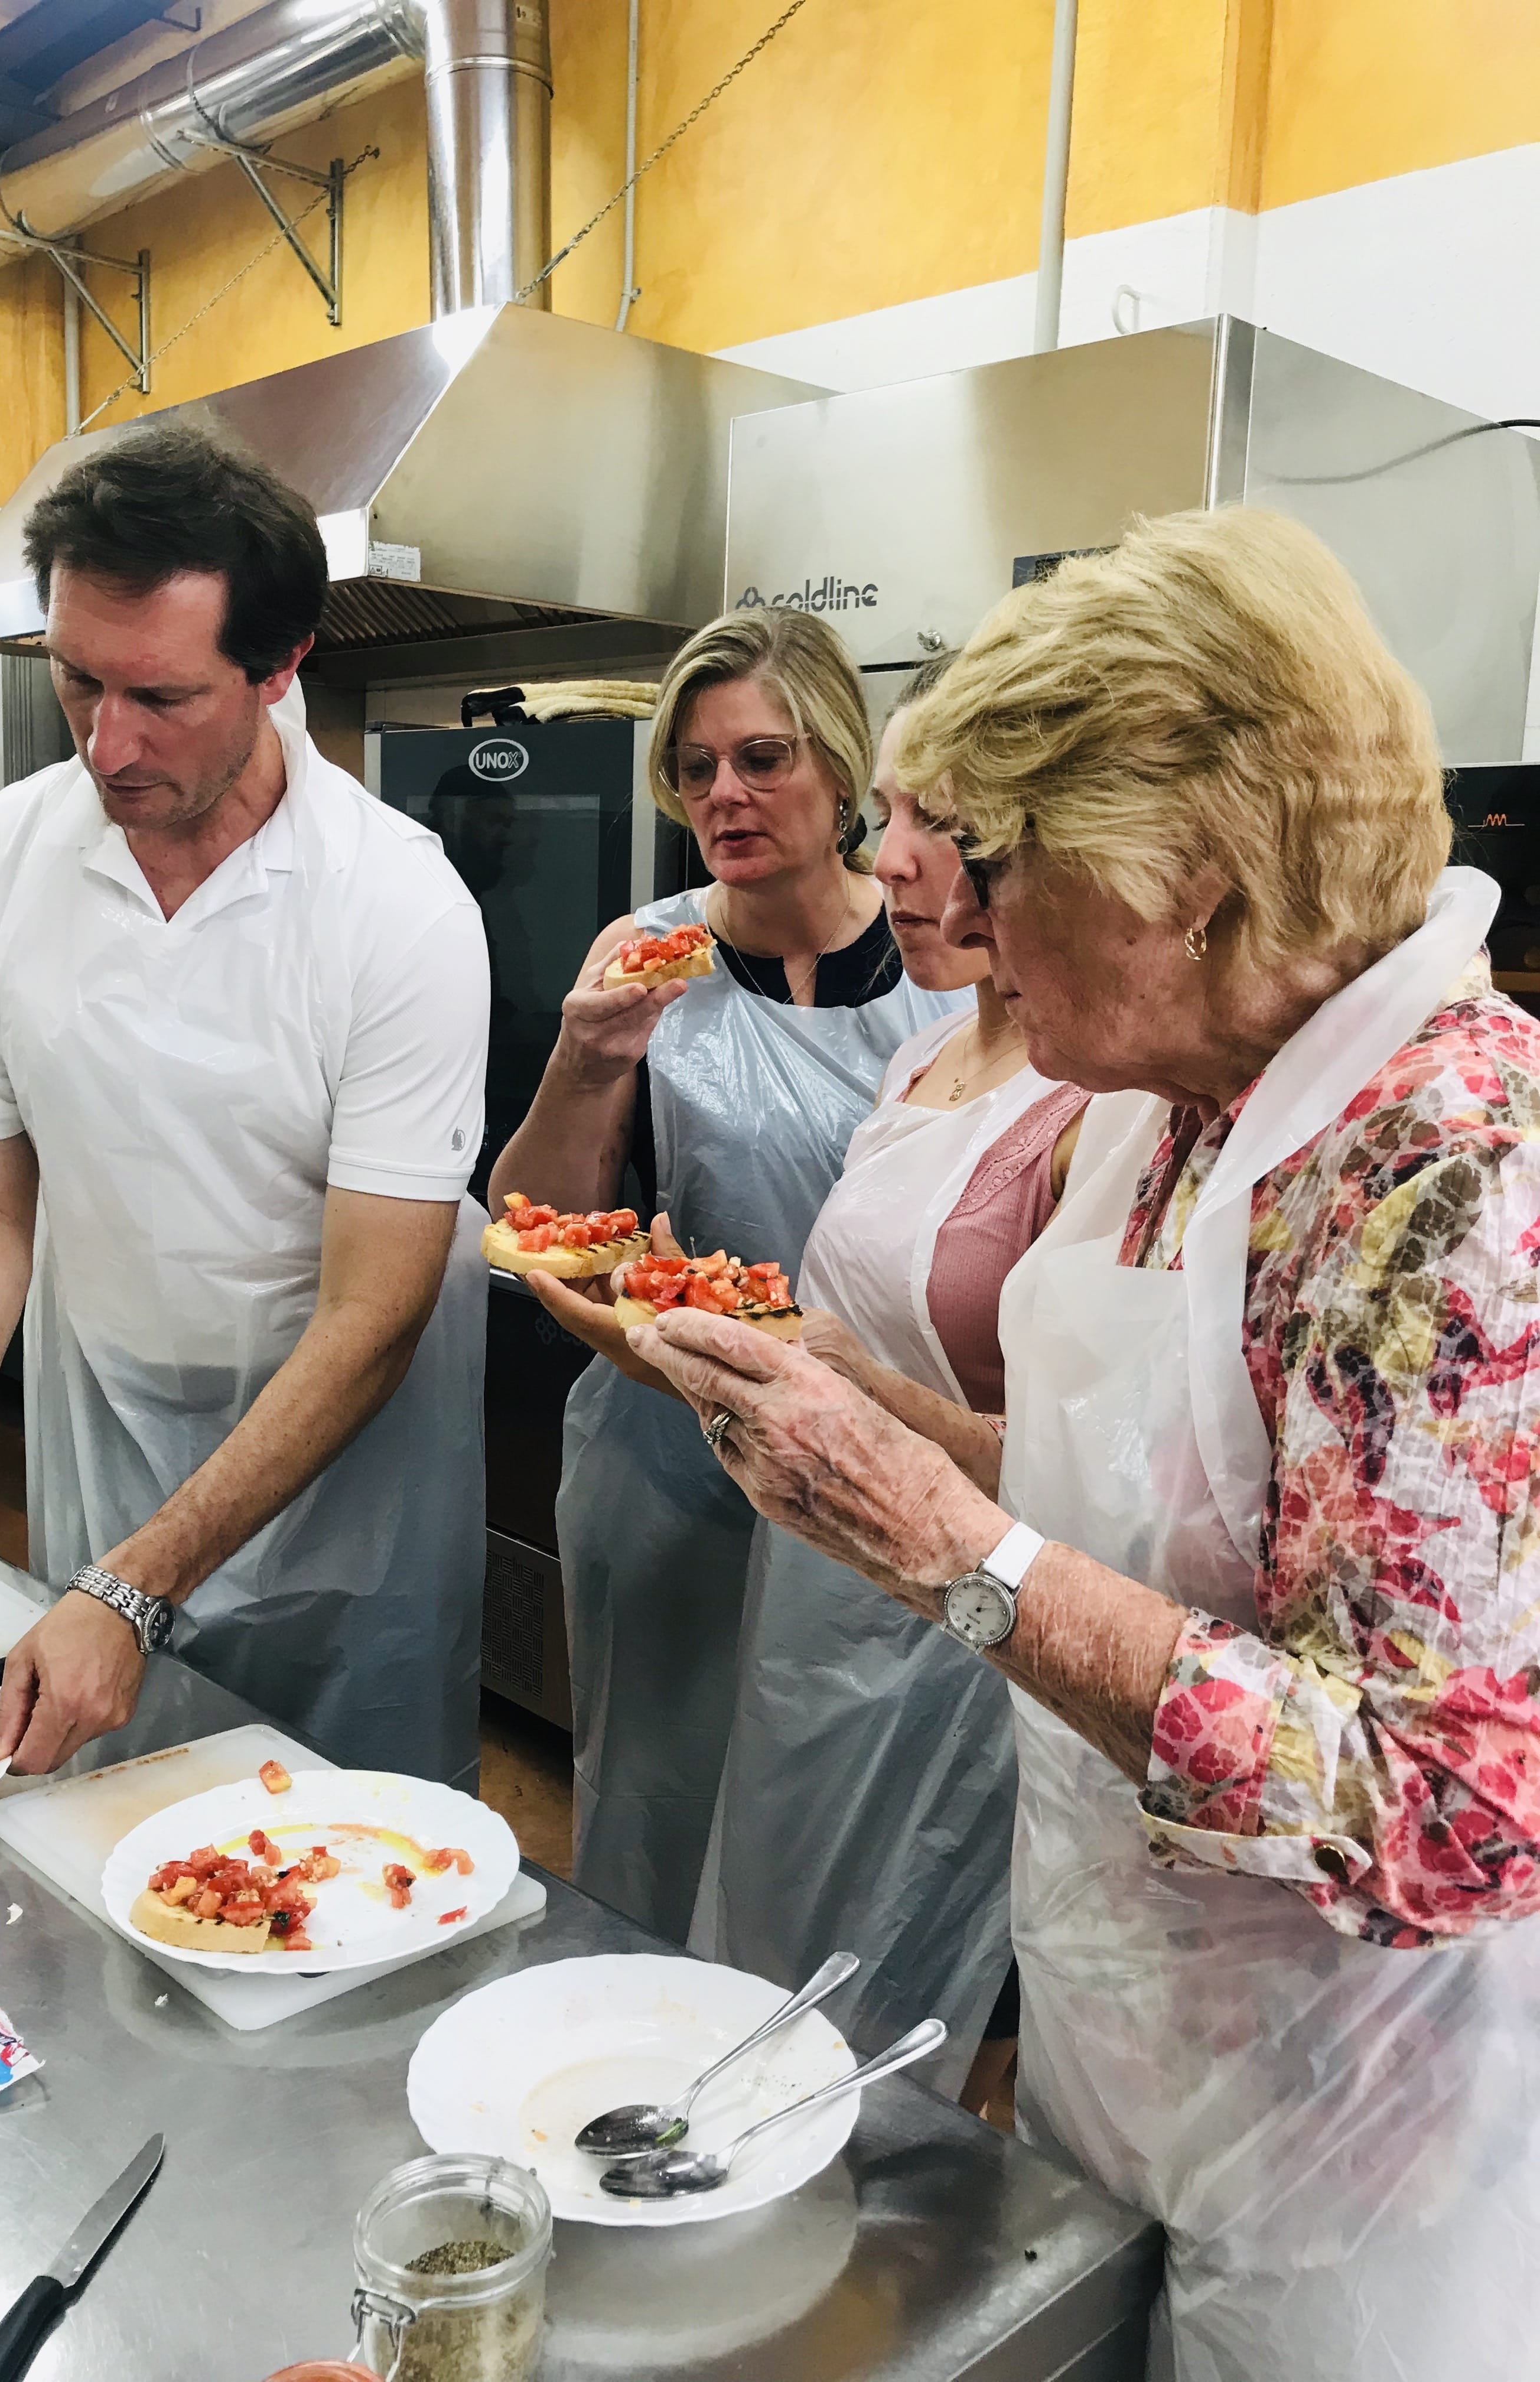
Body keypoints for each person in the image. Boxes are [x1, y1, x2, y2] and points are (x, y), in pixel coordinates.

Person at [631, 507, 1540, 2380]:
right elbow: (1126, 1485)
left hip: (1349, 2124)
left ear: (1185, 878)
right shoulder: (1162, 1088)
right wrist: (848, 1411)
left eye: (989, 856)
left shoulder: (1446, 1178)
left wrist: (941, 1557)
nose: (936, 905)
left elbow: (1444, 1812)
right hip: (1125, 2016)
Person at [0, 424, 492, 1784]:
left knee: (344, 1855)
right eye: (79, 683)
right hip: (112, 1422)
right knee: (112, 1824)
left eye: (162, 697)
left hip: (349, 1469)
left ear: (279, 669)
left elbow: (375, 1312)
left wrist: (139, 1588)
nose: (107, 744)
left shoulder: (398, 902)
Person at [489, 608, 965, 1935]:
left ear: (840, 767)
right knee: (658, 1788)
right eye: (696, 770)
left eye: (762, 757)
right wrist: (587, 1062)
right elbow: (544, 1222)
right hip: (670, 1446)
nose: (725, 795)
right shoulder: (651, 958)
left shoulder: (949, 965)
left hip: (889, 1447)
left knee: (848, 1821)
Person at [689, 656, 1088, 2109]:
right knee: (773, 1935)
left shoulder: (1099, 1094)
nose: (895, 858)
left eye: (944, 826)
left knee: (915, 1988)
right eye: (896, 812)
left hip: (961, 1610)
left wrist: (856, 1394)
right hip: (812, 1576)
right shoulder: (927, 1049)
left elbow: (1083, 1463)